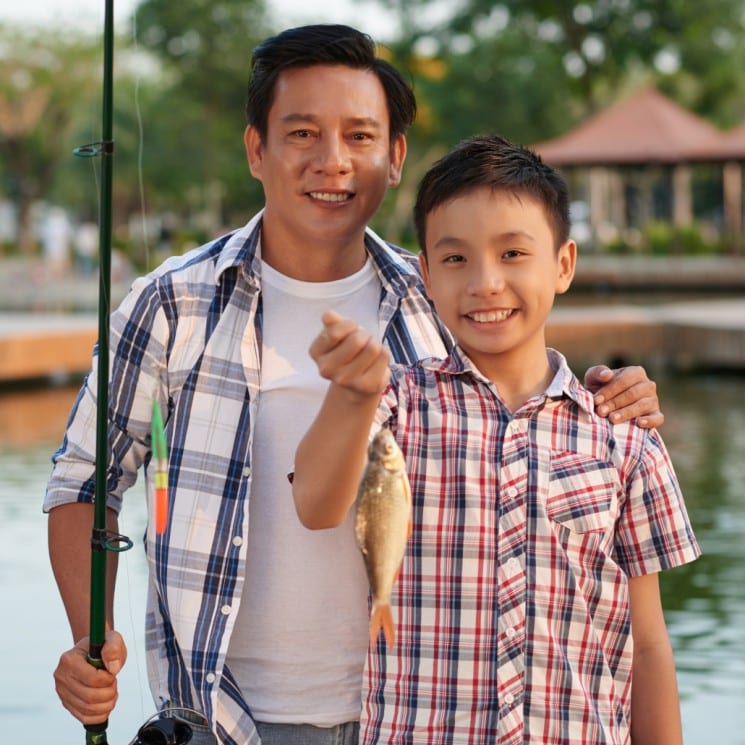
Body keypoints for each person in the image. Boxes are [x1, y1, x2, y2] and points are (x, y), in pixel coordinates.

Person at [46, 26, 663, 745]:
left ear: (394, 155)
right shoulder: (170, 305)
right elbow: (85, 482)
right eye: (301, 133)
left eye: (359, 136)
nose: (331, 162)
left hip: (417, 712)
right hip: (223, 714)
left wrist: (613, 396)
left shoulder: (440, 292)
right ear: (257, 149)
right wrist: (91, 634)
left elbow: (521, 409)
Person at [292, 134, 700, 744]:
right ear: (425, 274)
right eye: (455, 260)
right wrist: (351, 391)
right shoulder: (395, 405)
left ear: (563, 265)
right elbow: (316, 505)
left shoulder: (624, 440)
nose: (485, 283)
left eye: (513, 253)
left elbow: (647, 645)